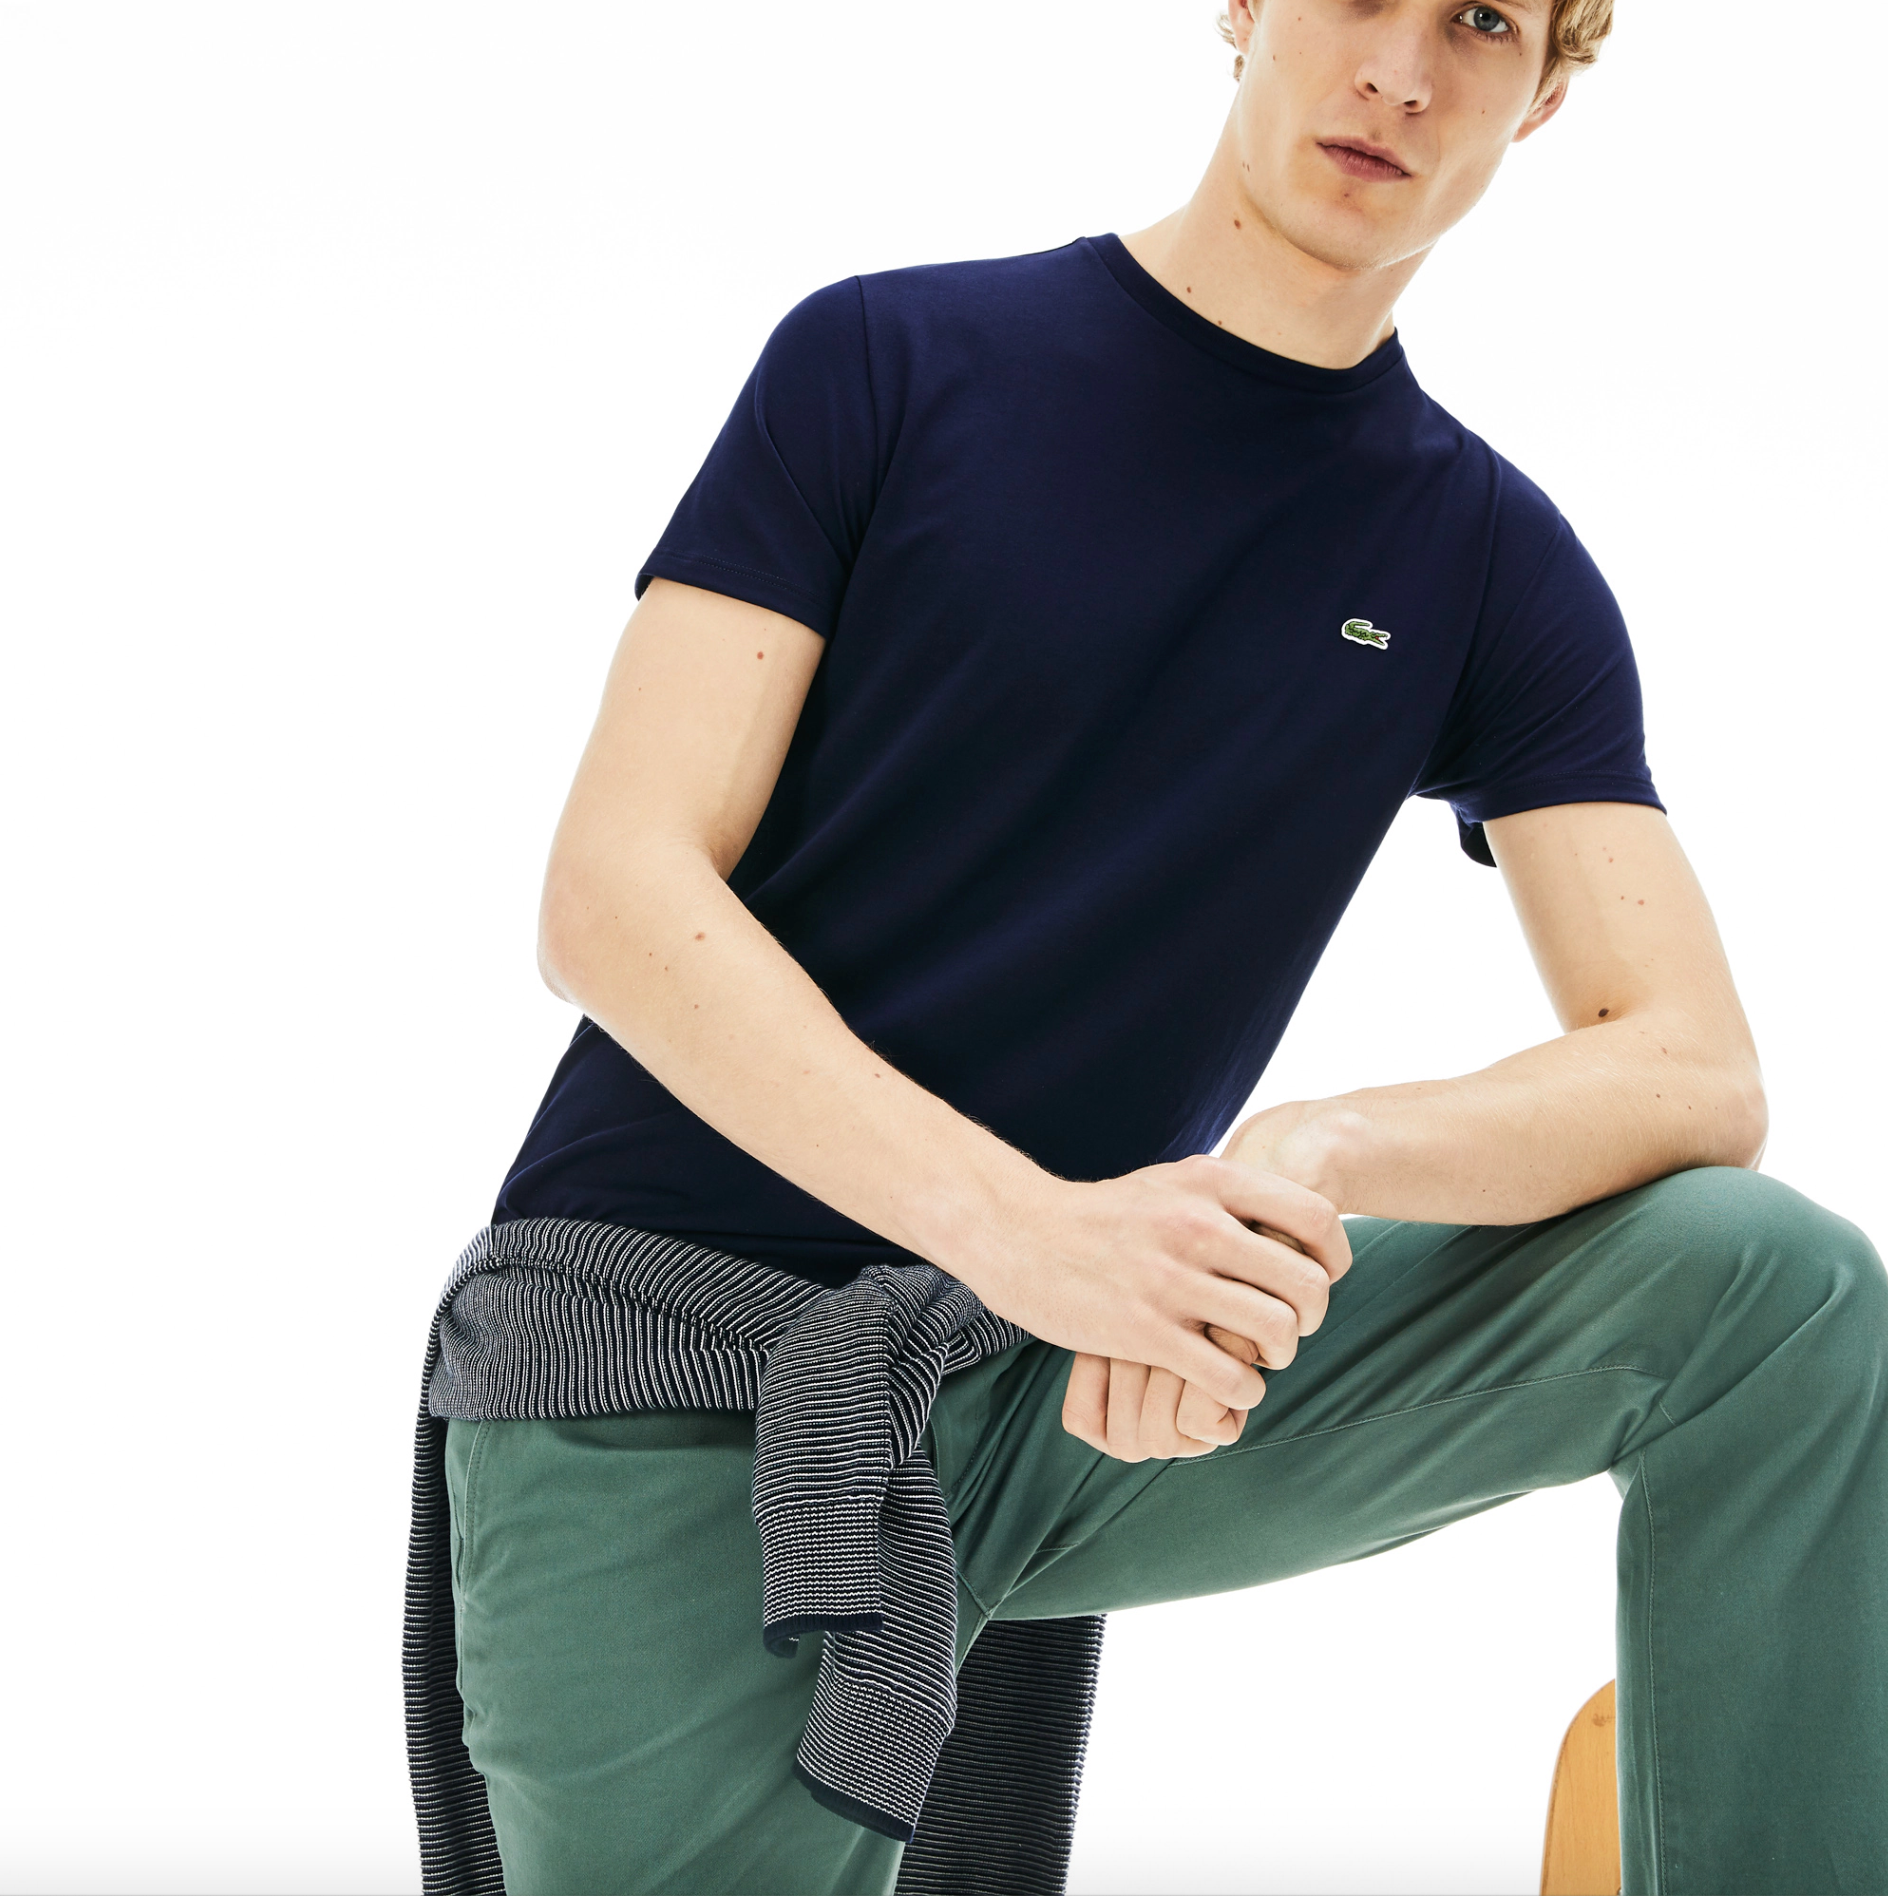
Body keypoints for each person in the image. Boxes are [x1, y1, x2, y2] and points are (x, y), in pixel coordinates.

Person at [428, 2, 1888, 1891]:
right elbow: (614, 895)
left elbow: (1690, 1065)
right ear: (1246, 10)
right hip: (682, 1363)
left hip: (1088, 1362)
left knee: (1772, 1296)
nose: (1403, 72)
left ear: (1540, 99)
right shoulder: (888, 360)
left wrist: (1305, 1163)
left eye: (1483, 21)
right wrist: (1028, 1234)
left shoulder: (1487, 563)